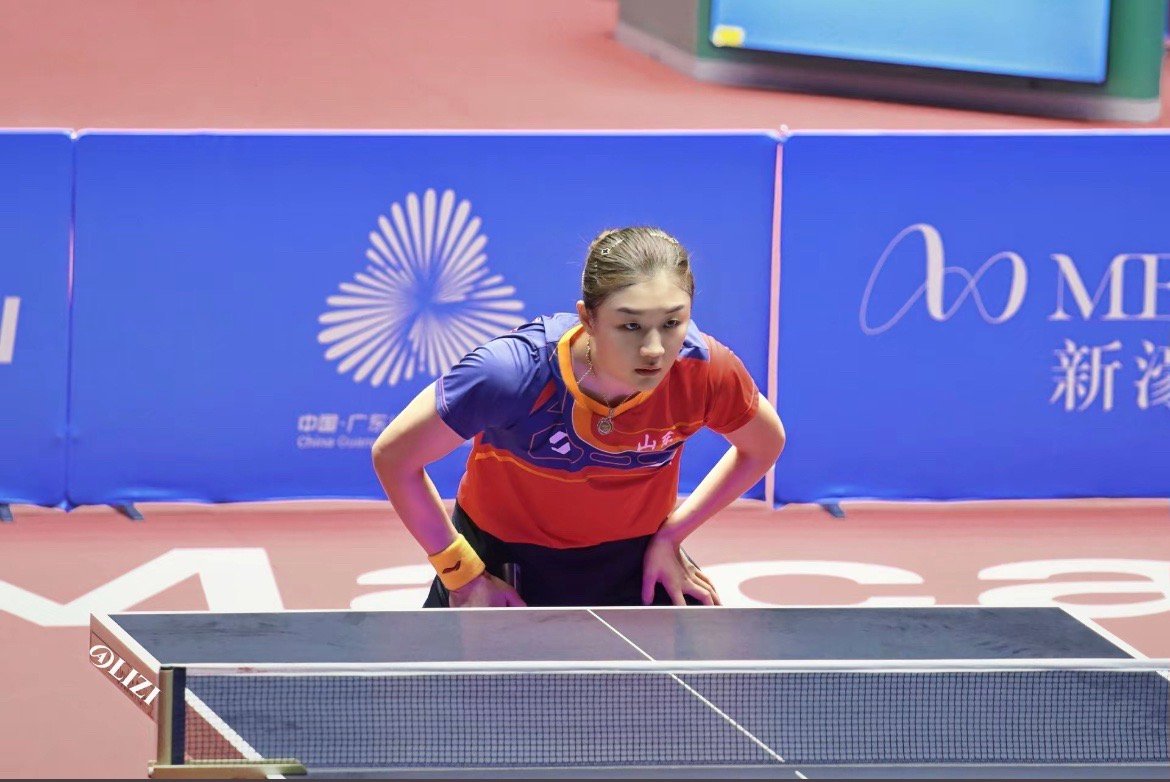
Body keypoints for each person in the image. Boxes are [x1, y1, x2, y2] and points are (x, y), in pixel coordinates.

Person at [371, 226, 785, 608]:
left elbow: (764, 446)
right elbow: (394, 457)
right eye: (630, 326)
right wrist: (461, 574)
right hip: (502, 559)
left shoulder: (705, 371)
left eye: (672, 322)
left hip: (634, 557)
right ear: (588, 318)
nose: (654, 349)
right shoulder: (512, 375)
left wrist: (672, 535)